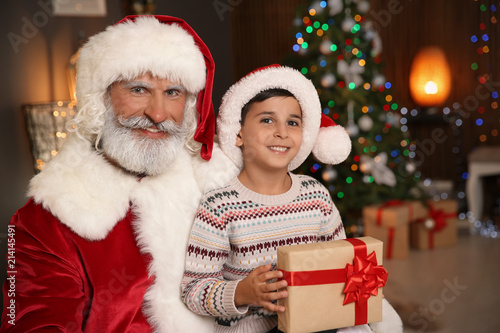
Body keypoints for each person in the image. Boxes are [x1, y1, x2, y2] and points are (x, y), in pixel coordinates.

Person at [0, 15, 240, 332]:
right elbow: (32, 323)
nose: (157, 113)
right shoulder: (41, 220)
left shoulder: (222, 187)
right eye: (138, 89)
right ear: (101, 99)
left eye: (173, 93)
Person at [182, 64, 357, 332]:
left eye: (293, 122)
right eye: (267, 120)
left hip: (316, 322)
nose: (282, 132)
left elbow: (340, 263)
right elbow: (193, 290)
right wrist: (242, 292)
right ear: (238, 133)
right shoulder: (219, 206)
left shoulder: (316, 195)